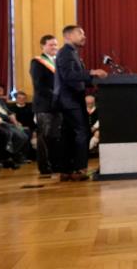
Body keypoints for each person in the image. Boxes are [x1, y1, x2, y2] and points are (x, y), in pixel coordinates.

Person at [54, 25, 107, 181]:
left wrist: (94, 81)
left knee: (69, 135)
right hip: (69, 101)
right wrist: (92, 72)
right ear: (69, 36)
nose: (84, 36)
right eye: (80, 33)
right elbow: (69, 75)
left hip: (71, 100)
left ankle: (66, 170)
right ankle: (79, 169)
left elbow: (77, 78)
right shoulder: (65, 53)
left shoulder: (72, 53)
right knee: (82, 132)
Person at [30, 34, 62, 176]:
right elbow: (39, 85)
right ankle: (44, 167)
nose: (54, 47)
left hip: (57, 105)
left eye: (55, 44)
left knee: (55, 136)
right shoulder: (37, 62)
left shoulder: (57, 62)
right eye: (51, 45)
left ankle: (55, 164)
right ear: (43, 46)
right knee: (45, 137)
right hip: (44, 105)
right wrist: (57, 96)